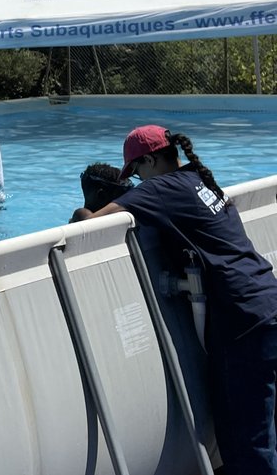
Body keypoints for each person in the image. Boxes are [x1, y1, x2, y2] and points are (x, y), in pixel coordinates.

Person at [75, 125, 277, 474]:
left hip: (241, 318)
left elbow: (92, 221)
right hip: (265, 299)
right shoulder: (198, 178)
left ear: (150, 160)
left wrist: (82, 211)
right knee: (260, 428)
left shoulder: (160, 188)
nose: (137, 182)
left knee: (246, 440)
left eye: (137, 172)